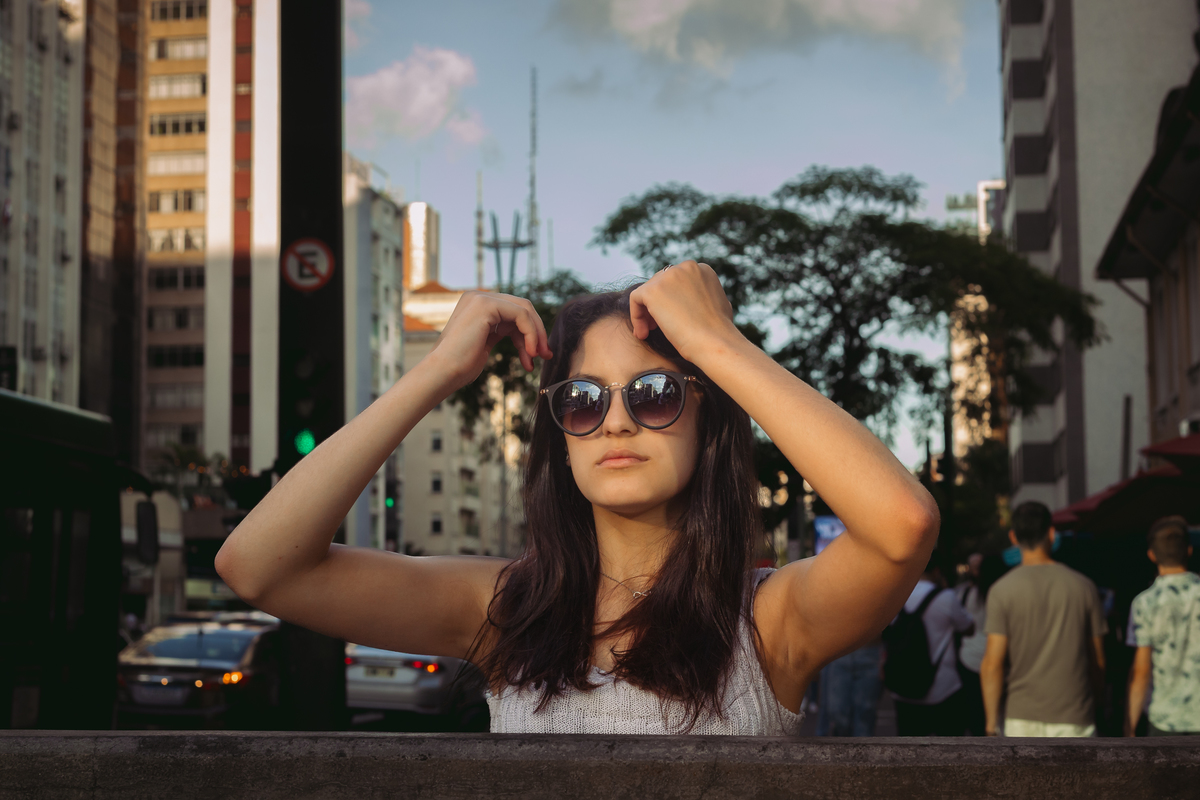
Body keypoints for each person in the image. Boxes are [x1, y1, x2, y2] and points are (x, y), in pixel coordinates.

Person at [214, 261, 940, 734]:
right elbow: (260, 567)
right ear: (560, 433)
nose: (616, 420)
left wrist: (720, 345)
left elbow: (901, 525)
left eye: (654, 394)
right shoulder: (507, 613)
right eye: (584, 400)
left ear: (705, 416)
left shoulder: (769, 622)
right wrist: (436, 370)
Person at [980, 501, 1107, 737]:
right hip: (1075, 715)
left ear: (1013, 537)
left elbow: (992, 663)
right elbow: (1097, 660)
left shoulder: (1001, 590)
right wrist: (1096, 701)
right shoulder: (1084, 587)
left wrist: (990, 724)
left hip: (1021, 716)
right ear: (1051, 533)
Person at [1127, 515, 1200, 737]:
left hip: (1164, 718)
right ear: (1189, 550)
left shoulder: (1145, 603)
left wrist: (1129, 725)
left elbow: (1141, 672)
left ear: (1151, 555)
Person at [886, 555, 975, 736]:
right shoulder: (946, 597)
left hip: (902, 688)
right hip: (943, 688)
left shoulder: (894, 595)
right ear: (936, 571)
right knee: (949, 751)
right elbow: (969, 628)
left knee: (909, 753)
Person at [816, 638, 884, 736]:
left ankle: (862, 751)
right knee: (837, 713)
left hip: (870, 649)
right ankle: (841, 749)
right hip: (840, 650)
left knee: (865, 716)